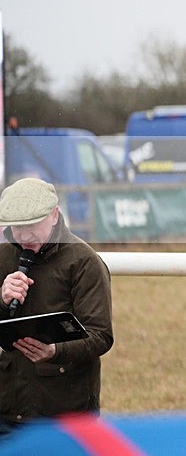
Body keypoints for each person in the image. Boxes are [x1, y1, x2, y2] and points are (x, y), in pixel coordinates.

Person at [0, 178, 113, 437]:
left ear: (54, 215)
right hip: (8, 406)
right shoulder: (4, 255)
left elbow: (101, 335)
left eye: (31, 225)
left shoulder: (85, 262)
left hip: (66, 411)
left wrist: (55, 351)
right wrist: (2, 298)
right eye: (16, 227)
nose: (23, 235)